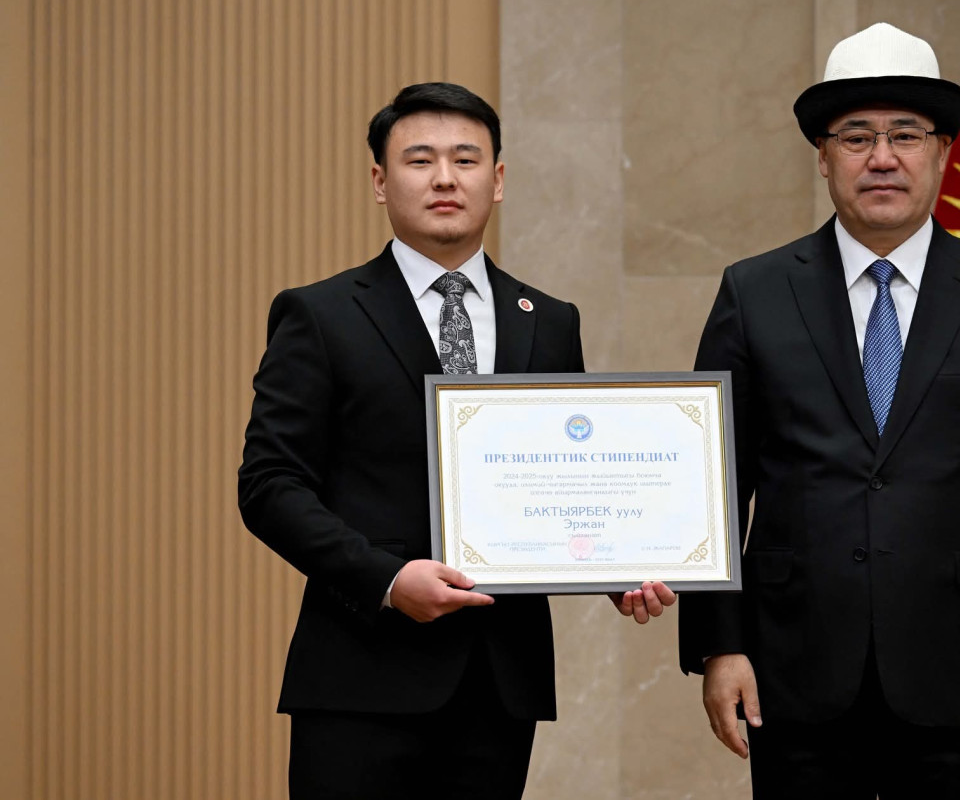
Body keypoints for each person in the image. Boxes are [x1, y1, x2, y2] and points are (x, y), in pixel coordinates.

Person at [238, 82, 674, 800]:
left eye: (466, 160)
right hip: (360, 675)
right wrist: (385, 579)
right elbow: (269, 486)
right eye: (420, 160)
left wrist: (616, 564)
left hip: (498, 683)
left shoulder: (549, 320)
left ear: (496, 180)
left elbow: (568, 478)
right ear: (380, 181)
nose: (445, 178)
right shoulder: (320, 315)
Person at [678, 23, 960, 798]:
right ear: (823, 157)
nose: (883, 157)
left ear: (943, 152)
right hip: (792, 666)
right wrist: (718, 645)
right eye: (856, 137)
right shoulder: (755, 293)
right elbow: (712, 487)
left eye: (906, 135)